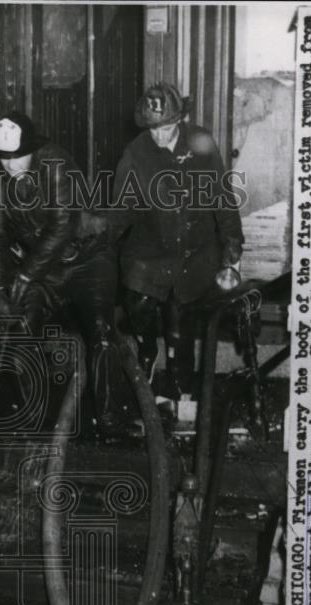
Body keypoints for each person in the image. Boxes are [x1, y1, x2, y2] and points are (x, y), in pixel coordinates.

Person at [0, 111, 136, 440]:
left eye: (16, 157)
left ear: (33, 150)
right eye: (3, 158)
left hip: (88, 260)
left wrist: (24, 277)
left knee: (101, 332)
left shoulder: (56, 165)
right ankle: (28, 419)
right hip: (45, 267)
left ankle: (111, 422)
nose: (9, 165)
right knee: (22, 328)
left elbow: (62, 227)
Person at [112, 82, 244, 399]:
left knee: (180, 316)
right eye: (153, 128)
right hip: (153, 244)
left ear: (180, 120)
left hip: (196, 246)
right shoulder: (136, 153)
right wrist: (100, 242)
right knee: (137, 299)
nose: (159, 135)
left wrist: (232, 245)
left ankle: (178, 386)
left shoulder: (201, 142)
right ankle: (146, 347)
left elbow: (223, 198)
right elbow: (120, 210)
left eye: (166, 127)